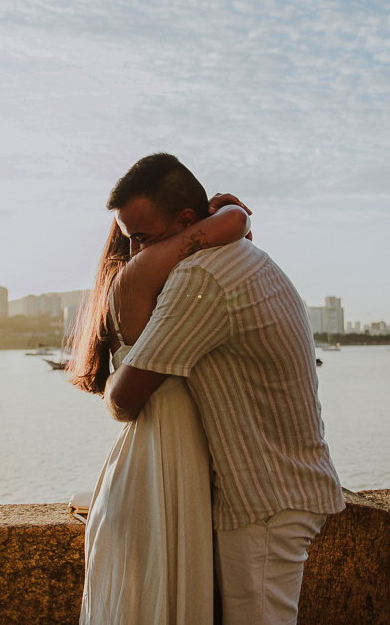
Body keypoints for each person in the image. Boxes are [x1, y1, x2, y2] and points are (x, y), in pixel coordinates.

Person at [104, 153, 345, 625]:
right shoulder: (237, 255)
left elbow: (125, 399)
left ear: (187, 222)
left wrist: (131, 297)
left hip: (266, 503)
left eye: (144, 240)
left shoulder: (201, 277)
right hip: (277, 491)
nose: (137, 255)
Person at [70, 166, 253, 624]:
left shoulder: (177, 277)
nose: (135, 249)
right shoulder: (138, 277)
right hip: (162, 463)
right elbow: (234, 225)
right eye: (131, 237)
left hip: (169, 459)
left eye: (142, 237)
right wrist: (230, 217)